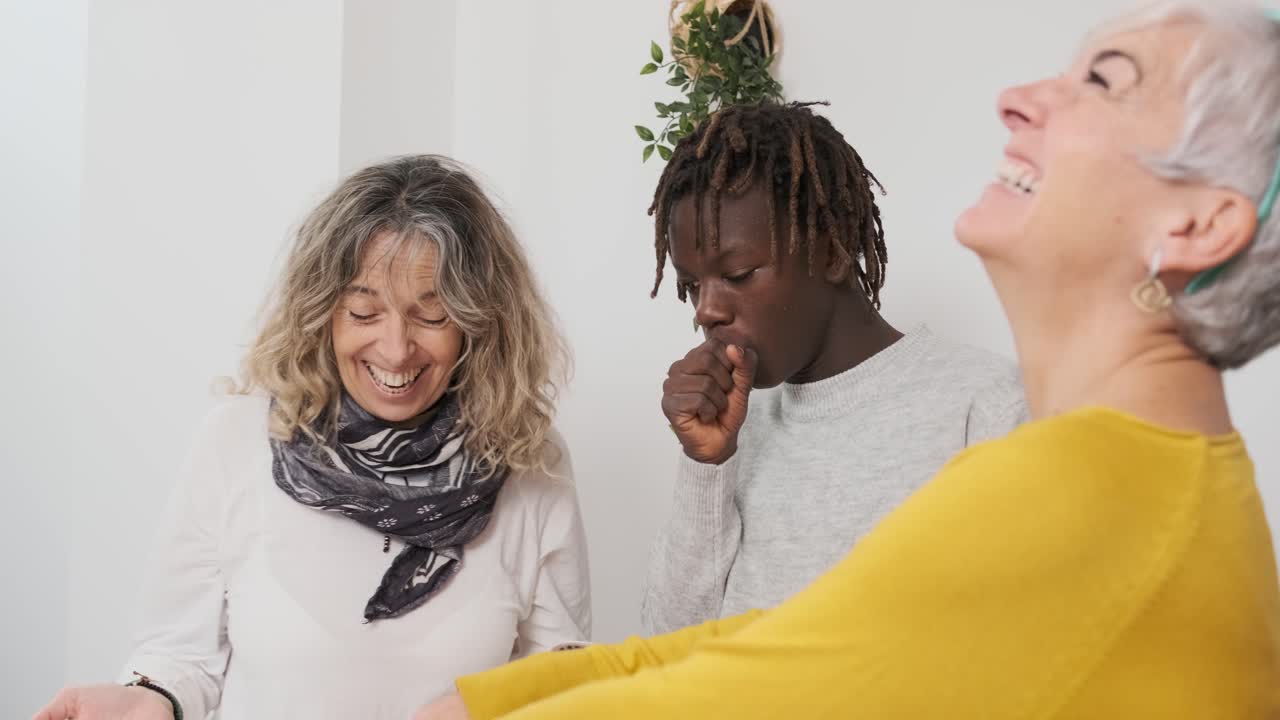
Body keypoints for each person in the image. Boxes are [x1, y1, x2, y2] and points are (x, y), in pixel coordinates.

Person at [420, 1, 1280, 716]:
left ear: (1198, 226)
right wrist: (482, 700)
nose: (1017, 98)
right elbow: (761, 639)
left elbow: (769, 691)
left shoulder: (1089, 489)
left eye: (1105, 80)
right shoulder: (1127, 471)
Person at [34, 155, 590, 720]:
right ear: (321, 311)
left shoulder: (529, 460)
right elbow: (180, 656)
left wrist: (497, 705)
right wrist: (143, 703)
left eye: (432, 317)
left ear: (480, 321)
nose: (396, 350)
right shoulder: (237, 440)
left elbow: (566, 673)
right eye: (364, 311)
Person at [643, 101, 1027, 634]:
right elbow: (667, 645)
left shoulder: (983, 404)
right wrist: (705, 465)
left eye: (738, 273)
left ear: (831, 254)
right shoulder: (732, 427)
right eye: (692, 286)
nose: (706, 310)